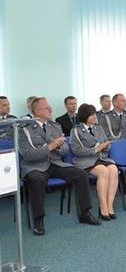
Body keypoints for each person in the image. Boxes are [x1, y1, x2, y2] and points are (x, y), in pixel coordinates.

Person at [19, 97, 101, 235]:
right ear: (38, 112)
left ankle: (85, 213)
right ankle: (38, 220)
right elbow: (28, 155)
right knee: (37, 179)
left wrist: (59, 146)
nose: (51, 110)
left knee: (81, 174)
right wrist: (50, 146)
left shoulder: (55, 126)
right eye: (47, 108)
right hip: (35, 166)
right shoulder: (24, 129)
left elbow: (65, 151)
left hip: (55, 163)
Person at [70, 104, 119, 221]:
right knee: (103, 171)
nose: (94, 116)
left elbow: (106, 143)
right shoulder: (76, 130)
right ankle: (103, 208)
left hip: (101, 158)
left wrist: (106, 147)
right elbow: (76, 150)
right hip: (85, 160)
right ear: (84, 116)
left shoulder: (99, 128)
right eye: (91, 115)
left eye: (94, 114)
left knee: (113, 169)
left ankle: (110, 206)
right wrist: (96, 149)